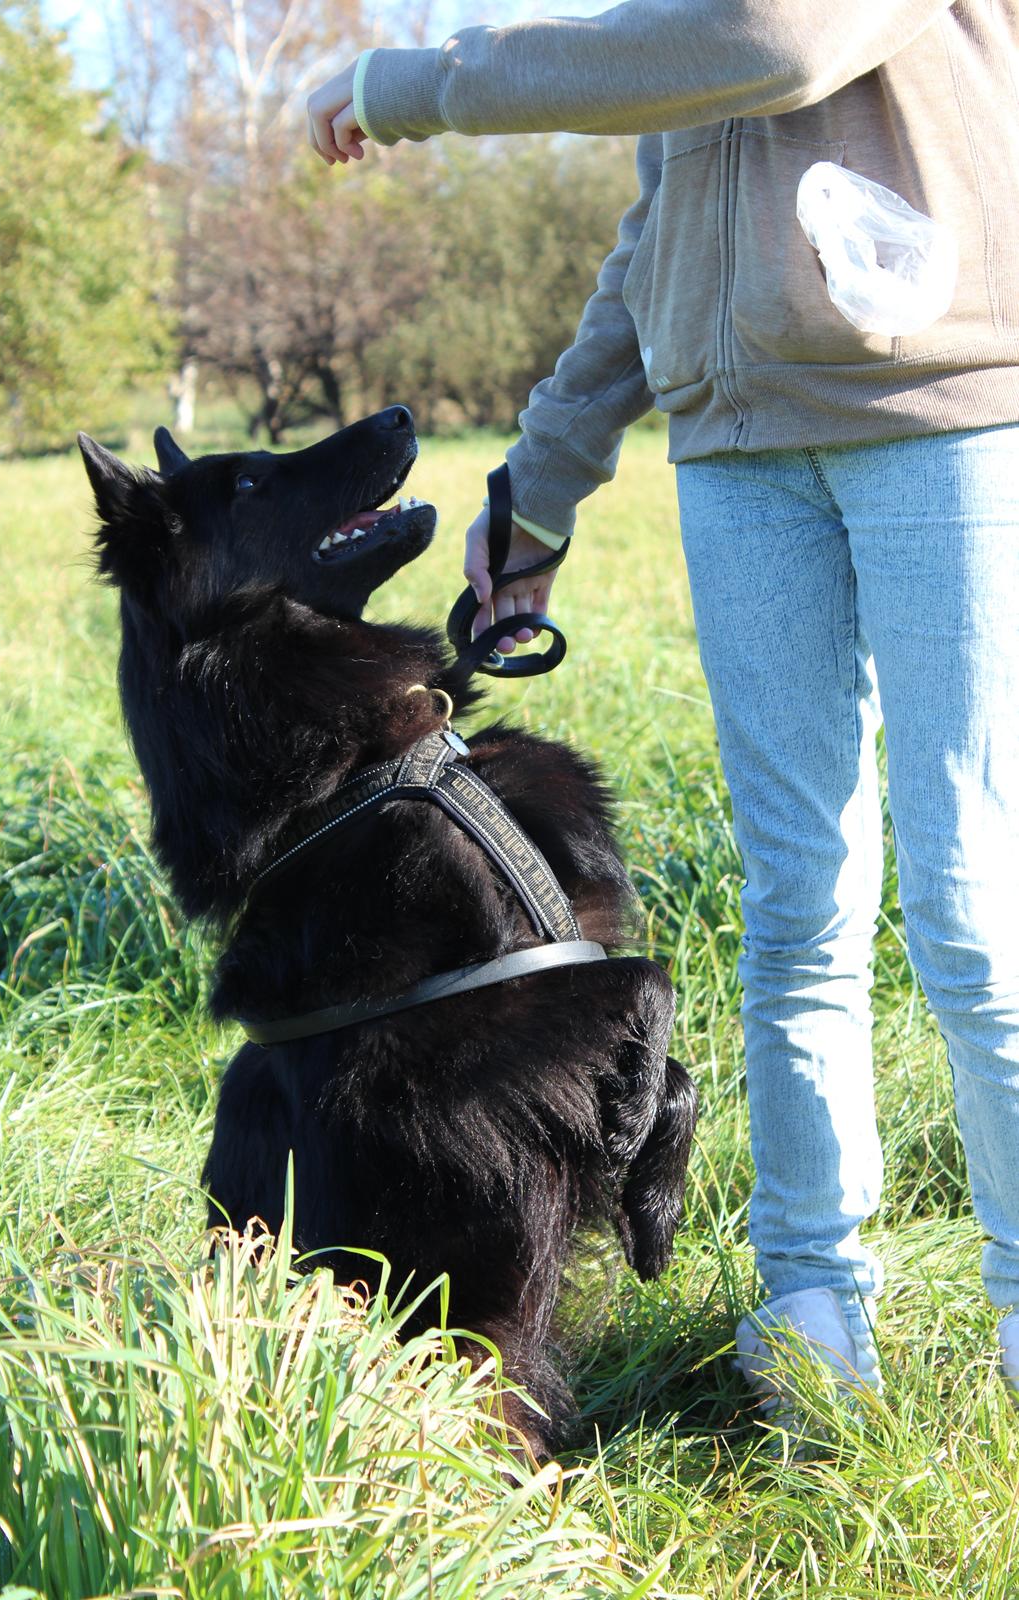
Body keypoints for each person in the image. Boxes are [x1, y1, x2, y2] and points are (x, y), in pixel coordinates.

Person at [306, 1, 1019, 1423]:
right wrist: (541, 481)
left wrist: (423, 86)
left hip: (946, 417)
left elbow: (779, 41)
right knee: (798, 905)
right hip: (744, 452)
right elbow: (662, 233)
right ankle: (812, 1315)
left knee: (967, 903)